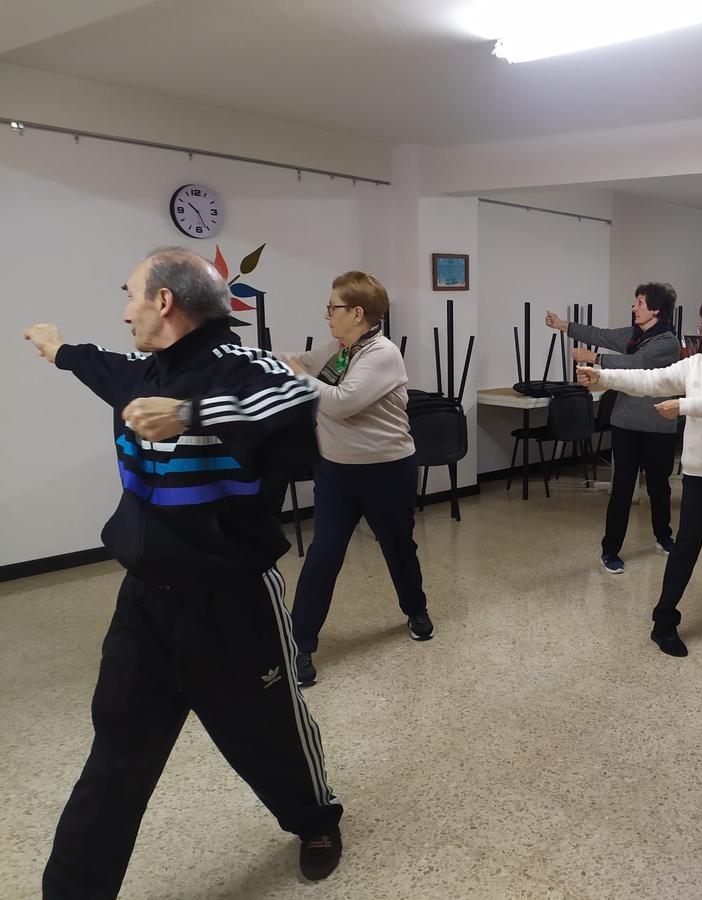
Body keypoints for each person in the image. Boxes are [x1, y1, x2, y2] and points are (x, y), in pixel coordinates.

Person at [23, 248, 343, 898]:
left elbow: (298, 407)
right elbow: (93, 363)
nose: (124, 312)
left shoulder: (247, 369)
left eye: (130, 296)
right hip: (144, 606)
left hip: (234, 603)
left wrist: (191, 415)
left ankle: (315, 821)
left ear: (165, 301)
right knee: (114, 757)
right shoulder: (139, 373)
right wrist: (56, 347)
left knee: (270, 735)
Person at [577, 296, 702, 658]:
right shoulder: (695, 364)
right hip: (700, 471)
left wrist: (683, 406)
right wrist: (603, 376)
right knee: (686, 547)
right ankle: (664, 621)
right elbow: (651, 379)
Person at [279, 272, 432, 687]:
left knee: (398, 547)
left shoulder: (381, 353)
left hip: (387, 471)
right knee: (323, 555)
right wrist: (257, 360)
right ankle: (300, 644)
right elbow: (303, 362)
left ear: (357, 313)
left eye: (333, 307)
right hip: (336, 471)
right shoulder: (341, 347)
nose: (327, 314)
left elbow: (340, 403)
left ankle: (416, 608)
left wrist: (297, 376)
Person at [545, 283, 679, 574]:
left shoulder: (666, 342)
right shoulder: (634, 335)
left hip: (658, 425)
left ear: (656, 309)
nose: (634, 307)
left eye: (640, 303)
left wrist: (593, 359)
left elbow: (637, 364)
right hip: (626, 425)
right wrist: (563, 325)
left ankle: (664, 537)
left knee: (659, 487)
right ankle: (610, 550)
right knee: (622, 489)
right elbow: (600, 335)